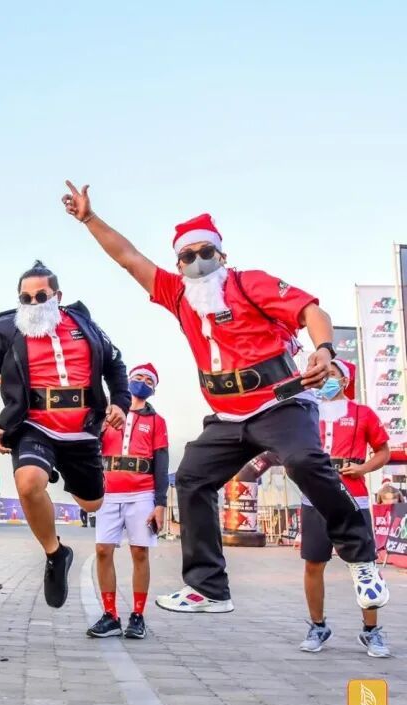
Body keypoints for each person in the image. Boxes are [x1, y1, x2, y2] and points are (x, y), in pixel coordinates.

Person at [61, 181, 387, 613]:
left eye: (206, 252)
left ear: (222, 255)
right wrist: (88, 218)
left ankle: (361, 558)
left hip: (278, 402)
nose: (198, 262)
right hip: (229, 416)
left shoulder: (250, 283)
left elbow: (312, 311)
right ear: (178, 264)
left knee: (303, 460)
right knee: (192, 477)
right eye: (188, 256)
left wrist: (324, 349)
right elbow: (129, 258)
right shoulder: (177, 294)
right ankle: (210, 587)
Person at [0, 261, 129, 609]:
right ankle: (55, 554)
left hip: (82, 429)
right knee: (28, 483)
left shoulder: (85, 325)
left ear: (58, 296)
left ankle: (66, 476)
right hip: (33, 425)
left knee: (92, 503)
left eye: (41, 296)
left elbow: (115, 364)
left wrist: (120, 401)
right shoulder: (7, 332)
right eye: (26, 298)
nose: (34, 303)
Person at [300, 359, 392, 657]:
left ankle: (371, 631)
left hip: (354, 497)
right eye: (321, 374)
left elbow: (383, 451)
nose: (325, 378)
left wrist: (363, 468)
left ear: (344, 380)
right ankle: (318, 626)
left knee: (364, 564)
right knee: (314, 563)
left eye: (331, 374)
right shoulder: (307, 411)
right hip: (314, 497)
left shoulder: (362, 413)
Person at [87, 363, 168, 639]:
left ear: (154, 389)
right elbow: (89, 445)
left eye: (149, 380)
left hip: (142, 493)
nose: (143, 382)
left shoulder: (157, 421)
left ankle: (138, 615)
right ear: (128, 380)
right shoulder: (107, 413)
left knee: (140, 552)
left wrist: (160, 503)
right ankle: (110, 615)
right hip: (108, 492)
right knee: (102, 550)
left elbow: (161, 463)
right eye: (138, 377)